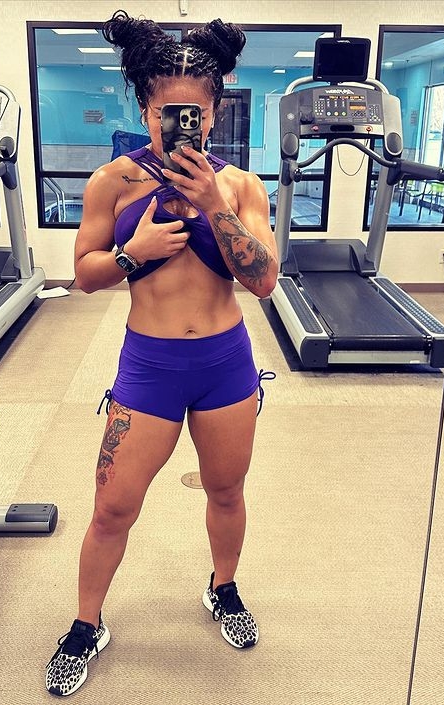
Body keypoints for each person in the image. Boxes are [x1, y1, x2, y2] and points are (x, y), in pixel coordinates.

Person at [46, 10, 278, 697]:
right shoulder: (112, 182)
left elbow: (264, 279)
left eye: (193, 114)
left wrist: (213, 205)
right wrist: (132, 252)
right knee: (112, 507)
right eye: (165, 113)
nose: (179, 124)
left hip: (225, 364)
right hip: (148, 366)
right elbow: (83, 275)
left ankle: (223, 587)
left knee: (227, 489)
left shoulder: (241, 186)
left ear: (213, 113)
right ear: (146, 110)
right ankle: (86, 624)